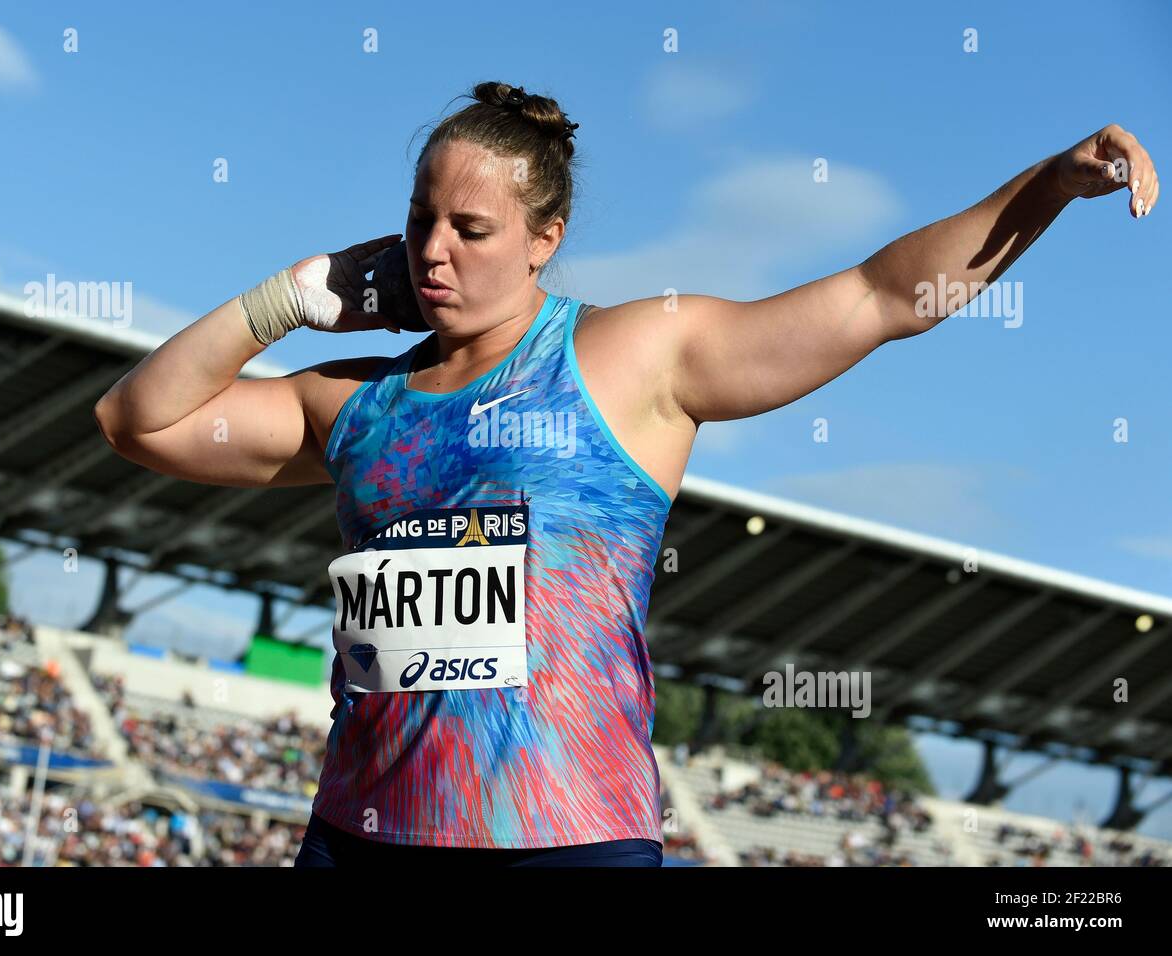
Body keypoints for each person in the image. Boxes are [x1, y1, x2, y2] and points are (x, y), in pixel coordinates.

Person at [93, 81, 1157, 867]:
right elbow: (137, 418)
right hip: (361, 830)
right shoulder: (353, 402)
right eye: (421, 222)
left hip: (565, 835)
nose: (434, 251)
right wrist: (292, 295)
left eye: (472, 228)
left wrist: (1049, 185)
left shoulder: (631, 354)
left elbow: (879, 297)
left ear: (545, 237)